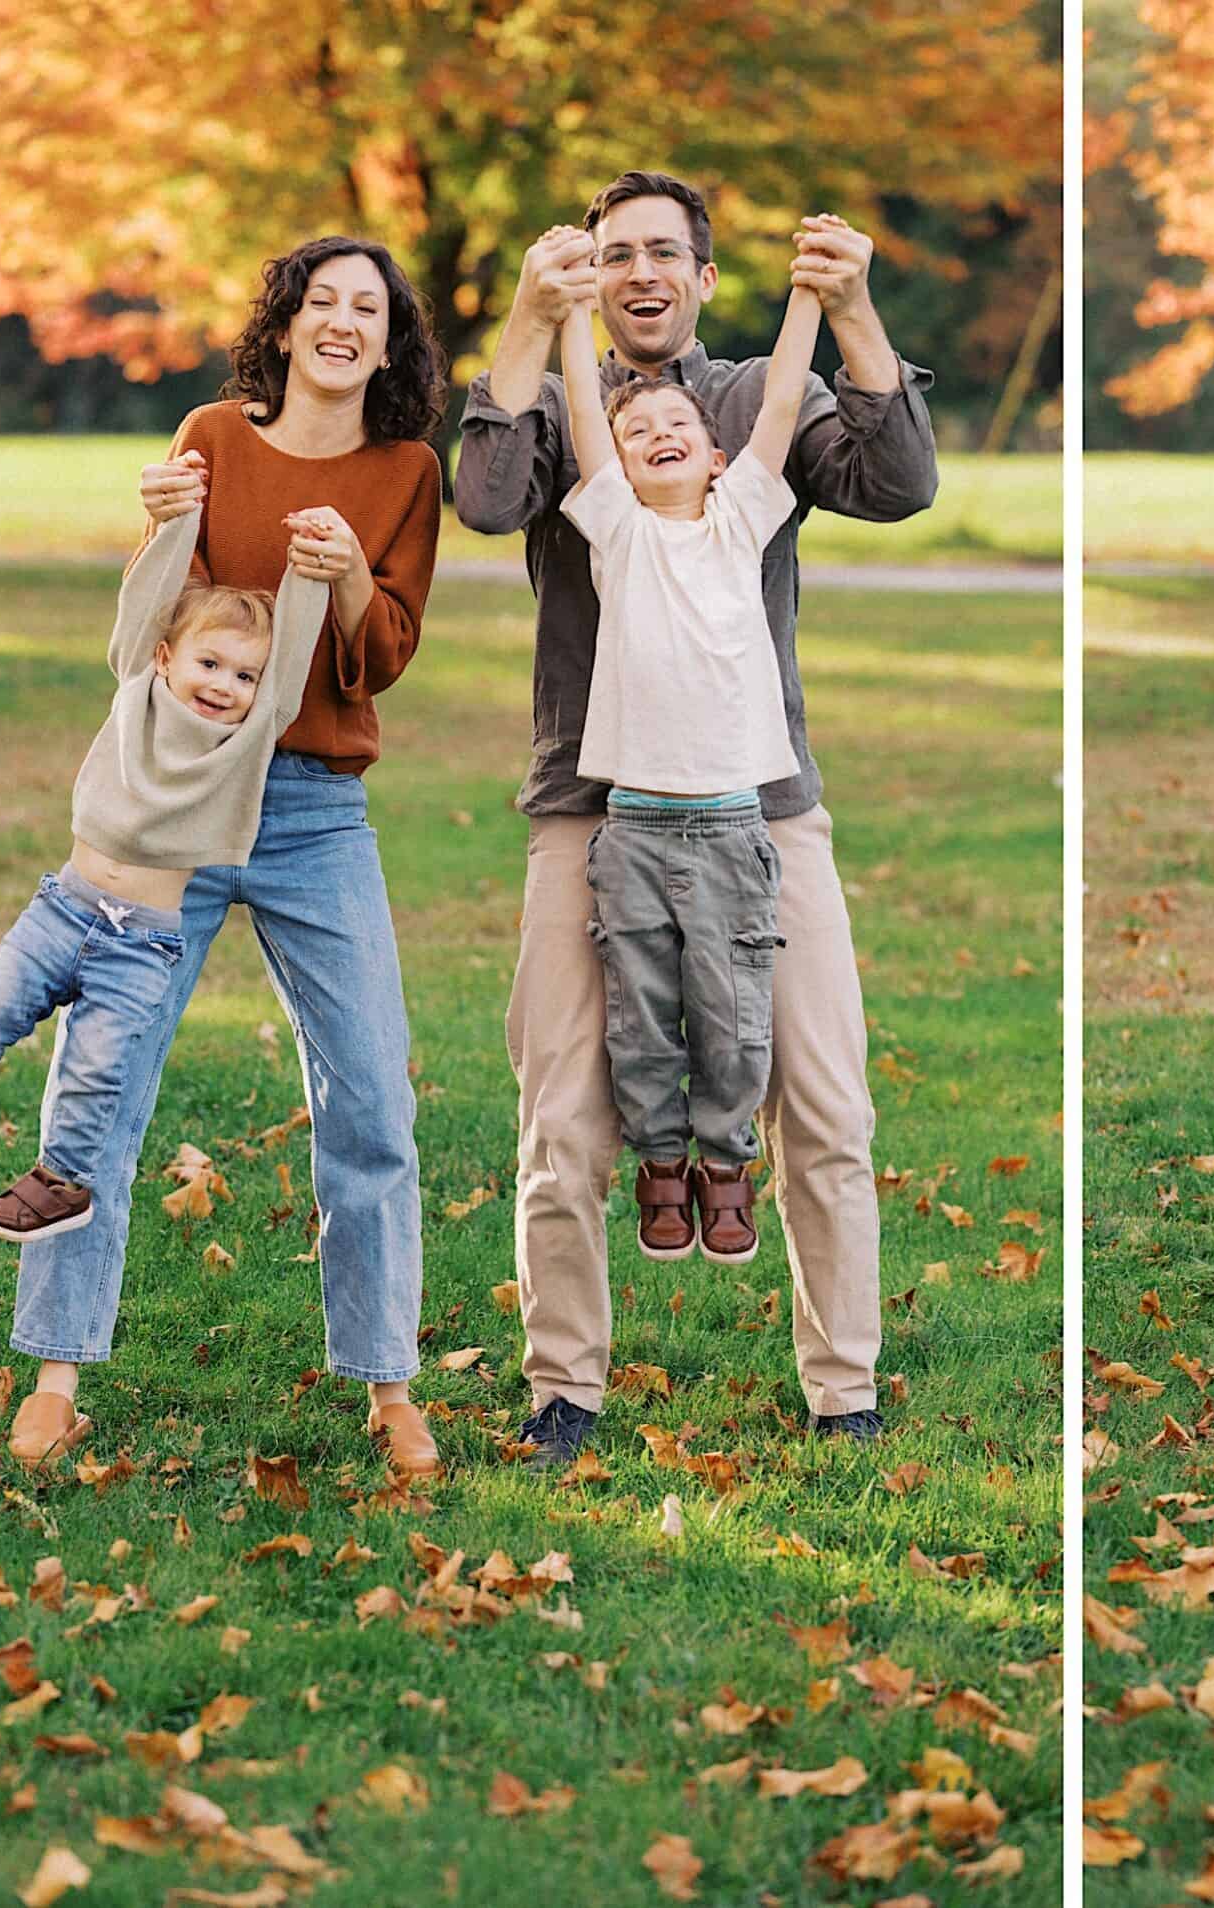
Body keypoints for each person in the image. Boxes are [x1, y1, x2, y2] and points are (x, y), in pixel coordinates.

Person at [456, 172, 939, 1468]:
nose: (643, 272)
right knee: (563, 1116)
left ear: (705, 276)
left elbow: (896, 483)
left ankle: (844, 1388)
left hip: (766, 815)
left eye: (666, 251)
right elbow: (486, 500)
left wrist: (847, 308)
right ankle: (566, 1386)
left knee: (827, 1107)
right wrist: (524, 320)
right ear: (598, 280)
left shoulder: (739, 412)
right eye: (617, 255)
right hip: (590, 809)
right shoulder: (565, 412)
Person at [7, 235, 447, 1476]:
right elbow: (167, 628)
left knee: (368, 1093)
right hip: (181, 803)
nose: (344, 323)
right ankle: (54, 1369)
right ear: (289, 322)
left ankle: (389, 1383)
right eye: (324, 302)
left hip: (314, 808)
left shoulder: (408, 467)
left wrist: (353, 578)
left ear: (388, 336)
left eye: (369, 307)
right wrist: (154, 528)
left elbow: (389, 648)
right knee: (104, 1072)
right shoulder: (211, 434)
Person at [0, 518, 325, 1270]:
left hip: (143, 939)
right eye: (210, 663)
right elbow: (147, 599)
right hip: (64, 907)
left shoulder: (248, 740)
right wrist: (179, 520)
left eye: (245, 676)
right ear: (165, 657)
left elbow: (291, 662)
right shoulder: (136, 691)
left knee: (95, 1067)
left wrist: (308, 572)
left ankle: (62, 1181)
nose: (225, 685)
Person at [552, 245, 821, 1266]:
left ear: (716, 457)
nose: (658, 433)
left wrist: (809, 298)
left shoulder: (741, 521)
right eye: (638, 431)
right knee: (639, 1019)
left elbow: (783, 404)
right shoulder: (616, 530)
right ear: (616, 467)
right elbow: (584, 411)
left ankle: (723, 1161)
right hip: (632, 830)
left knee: (734, 1017)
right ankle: (660, 1162)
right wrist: (577, 316)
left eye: (679, 425)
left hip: (730, 827)